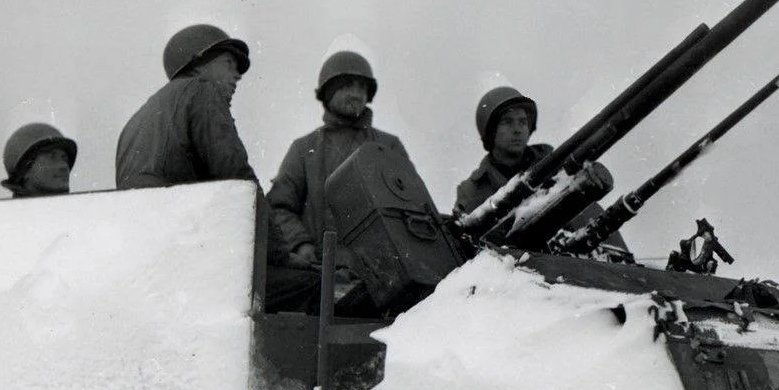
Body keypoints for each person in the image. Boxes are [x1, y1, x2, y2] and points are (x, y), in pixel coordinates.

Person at [263, 51, 412, 312]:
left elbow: (409, 207)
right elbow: (278, 206)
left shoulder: (388, 146)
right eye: (345, 86)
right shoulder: (304, 149)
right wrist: (301, 243)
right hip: (319, 277)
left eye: (361, 86)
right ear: (327, 93)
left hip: (379, 281)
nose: (355, 93)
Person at [453, 86, 629, 253]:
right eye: (507, 122)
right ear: (490, 132)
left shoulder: (561, 170)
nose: (518, 130)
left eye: (523, 122)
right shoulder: (471, 192)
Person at [115, 24, 258, 190]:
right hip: (181, 210)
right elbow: (233, 173)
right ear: (198, 62)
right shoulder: (203, 90)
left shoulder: (136, 120)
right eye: (228, 63)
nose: (238, 76)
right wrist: (267, 213)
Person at [0, 123, 76, 198]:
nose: (64, 166)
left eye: (64, 158)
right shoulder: (8, 211)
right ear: (25, 170)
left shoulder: (78, 209)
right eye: (52, 157)